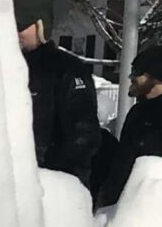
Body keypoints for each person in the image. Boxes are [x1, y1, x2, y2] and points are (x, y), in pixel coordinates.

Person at [95, 44, 162, 209]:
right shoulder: (137, 112)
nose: (131, 77)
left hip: (149, 213)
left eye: (137, 72)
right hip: (116, 209)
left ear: (154, 77)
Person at [20, 13, 101, 185]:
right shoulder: (2, 67)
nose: (16, 32)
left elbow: (83, 131)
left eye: (22, 26)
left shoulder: (67, 68)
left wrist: (61, 178)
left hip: (52, 180)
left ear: (41, 27)